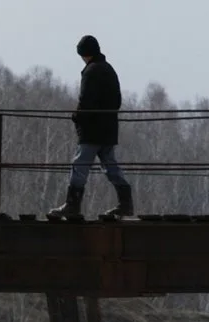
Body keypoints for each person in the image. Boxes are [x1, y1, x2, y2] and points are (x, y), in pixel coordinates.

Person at [48, 35, 134, 221]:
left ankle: (72, 205)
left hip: (92, 131)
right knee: (110, 166)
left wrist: (77, 117)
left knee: (79, 165)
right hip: (109, 129)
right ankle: (125, 203)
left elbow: (85, 101)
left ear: (85, 54)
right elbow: (117, 101)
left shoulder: (91, 72)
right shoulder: (110, 70)